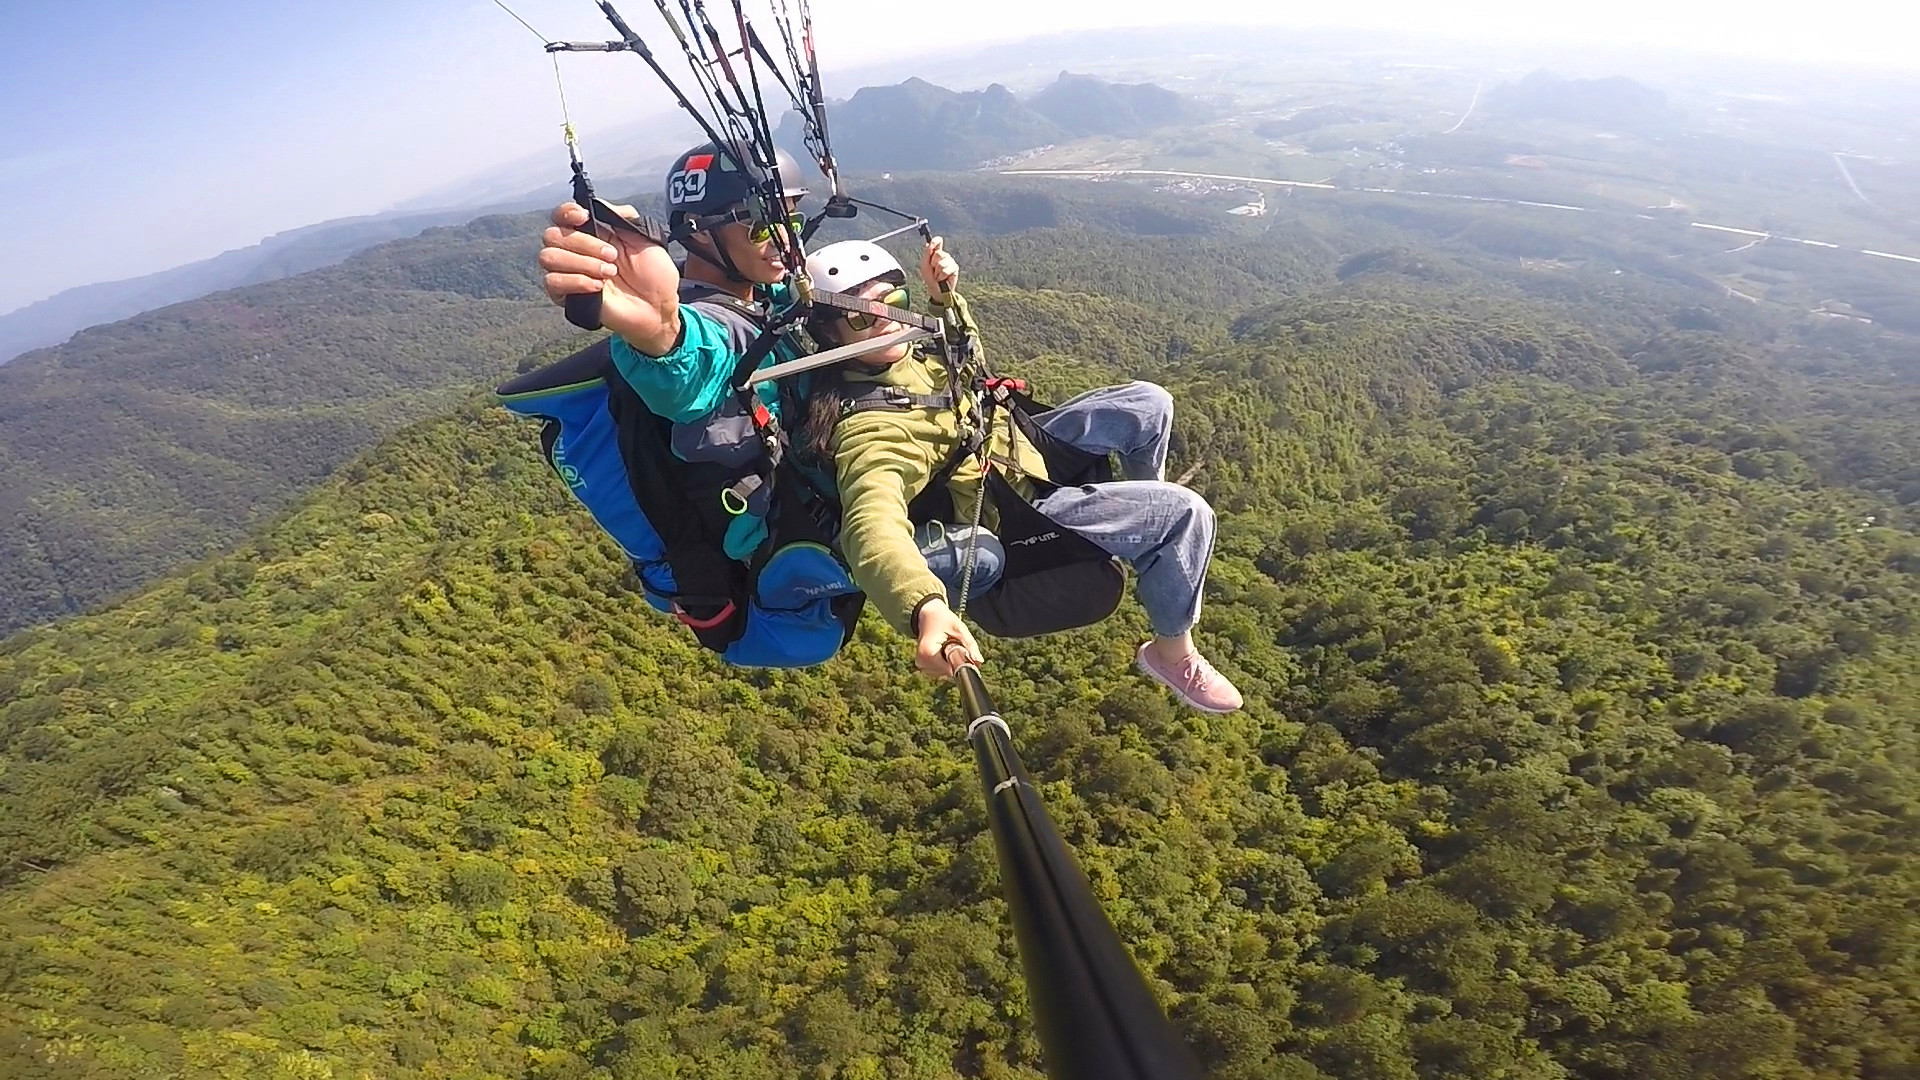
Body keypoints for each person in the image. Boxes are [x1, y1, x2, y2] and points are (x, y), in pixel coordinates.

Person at [798, 236, 1244, 714]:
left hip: (1018, 447)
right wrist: (924, 607)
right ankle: (1171, 652)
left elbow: (966, 356)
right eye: (862, 318)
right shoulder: (874, 429)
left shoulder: (911, 349)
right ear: (830, 337)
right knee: (1182, 514)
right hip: (1013, 512)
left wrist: (944, 297)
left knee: (1149, 404)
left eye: (895, 302)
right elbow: (871, 528)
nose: (886, 319)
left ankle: (1137, 532)